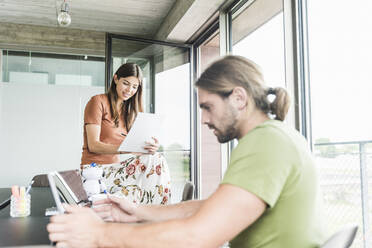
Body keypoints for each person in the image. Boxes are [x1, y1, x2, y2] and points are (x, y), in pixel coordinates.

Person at [48, 56, 325, 247]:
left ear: (239, 98)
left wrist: (100, 234)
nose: (203, 119)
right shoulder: (272, 138)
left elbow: (197, 238)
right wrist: (140, 212)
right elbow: (215, 207)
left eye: (207, 107)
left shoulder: (266, 144)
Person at [80, 63, 171, 205]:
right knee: (156, 160)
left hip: (116, 170)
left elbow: (136, 148)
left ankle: (156, 215)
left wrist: (148, 147)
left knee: (156, 158)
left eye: (135, 87)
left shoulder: (129, 113)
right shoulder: (98, 102)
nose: (129, 90)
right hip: (94, 171)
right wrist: (127, 148)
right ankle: (161, 214)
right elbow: (93, 145)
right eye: (126, 83)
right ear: (116, 79)